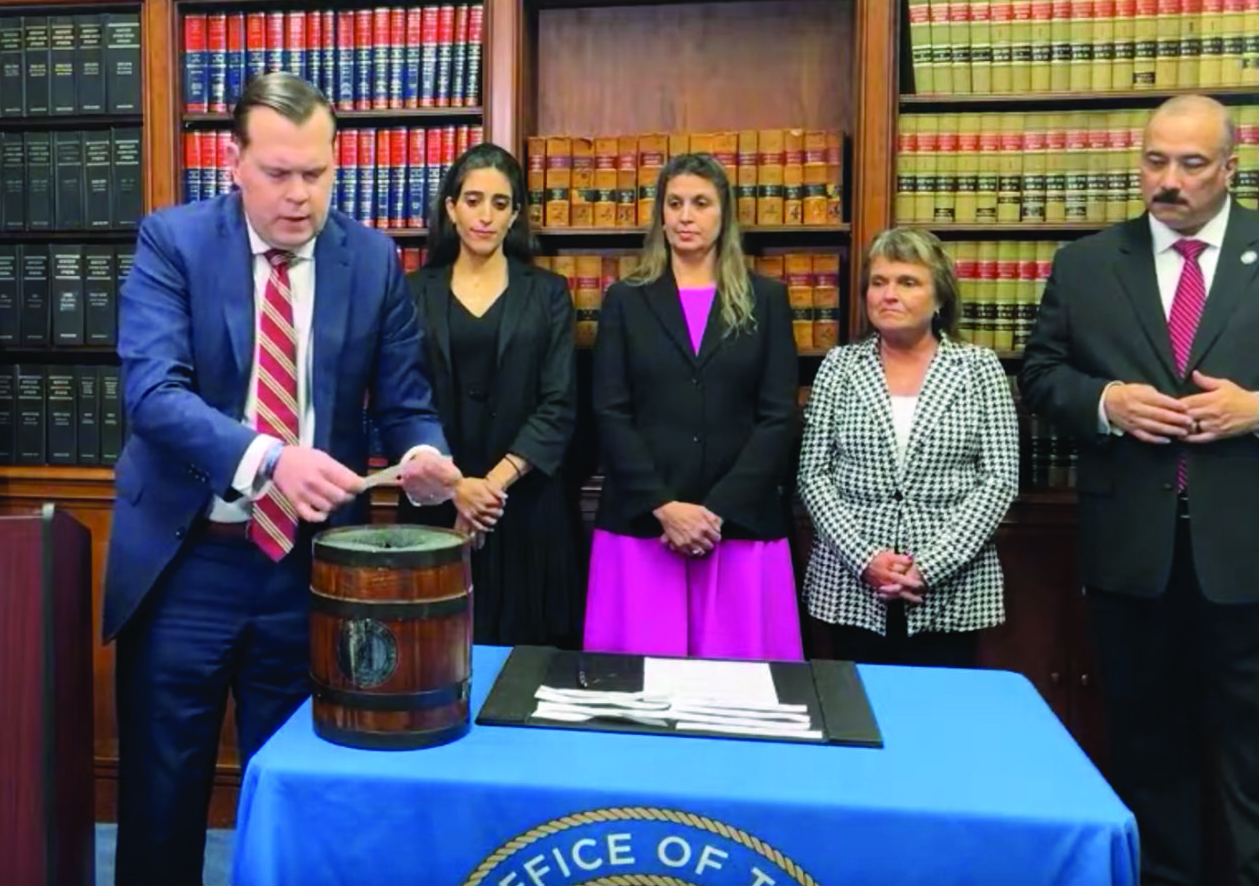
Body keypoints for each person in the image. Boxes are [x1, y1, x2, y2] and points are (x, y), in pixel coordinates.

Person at [103, 72, 462, 886]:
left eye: (317, 173)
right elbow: (153, 395)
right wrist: (270, 458)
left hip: (306, 569)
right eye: (278, 173)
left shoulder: (370, 260)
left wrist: (424, 459)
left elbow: (406, 405)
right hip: (185, 562)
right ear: (233, 162)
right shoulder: (174, 243)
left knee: (298, 793)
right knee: (162, 803)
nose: (300, 195)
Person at [1020, 94, 1259, 886]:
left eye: (1191, 164)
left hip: (1256, 555)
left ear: (1230, 168)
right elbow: (1043, 376)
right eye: (1156, 161)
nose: (1170, 180)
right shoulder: (1085, 264)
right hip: (1130, 559)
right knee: (1147, 754)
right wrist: (1106, 403)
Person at [584, 152, 802, 661]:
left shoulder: (766, 300)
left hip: (739, 526)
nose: (686, 216)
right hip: (644, 525)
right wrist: (666, 508)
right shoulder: (625, 300)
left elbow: (776, 417)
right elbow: (610, 412)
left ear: (723, 214)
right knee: (638, 702)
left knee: (738, 698)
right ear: (660, 214)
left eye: (700, 203)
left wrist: (714, 512)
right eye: (675, 203)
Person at [797, 227, 1018, 668]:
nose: (888, 295)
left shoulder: (978, 369)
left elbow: (999, 480)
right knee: (859, 719)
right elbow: (813, 475)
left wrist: (929, 566)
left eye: (907, 282)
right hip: (851, 586)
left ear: (939, 298)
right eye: (878, 282)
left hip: (951, 590)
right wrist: (865, 559)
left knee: (938, 724)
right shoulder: (839, 366)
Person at [400, 142, 586, 648]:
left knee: (527, 676)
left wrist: (489, 489)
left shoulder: (548, 292)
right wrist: (457, 486)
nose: (485, 215)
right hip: (435, 506)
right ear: (451, 207)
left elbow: (559, 404)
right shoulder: (411, 291)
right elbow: (401, 396)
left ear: (515, 214)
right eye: (474, 200)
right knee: (432, 662)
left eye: (500, 204)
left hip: (526, 509)